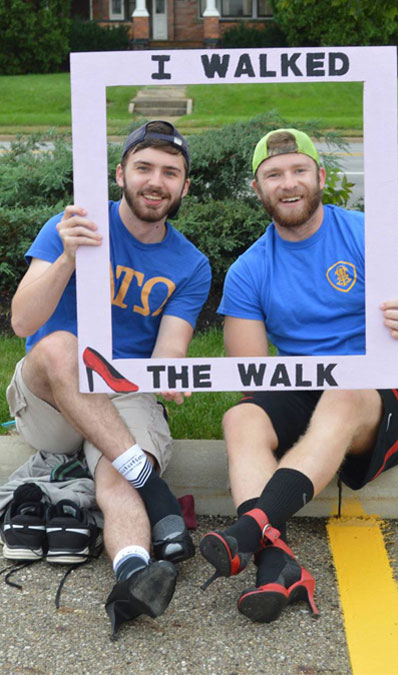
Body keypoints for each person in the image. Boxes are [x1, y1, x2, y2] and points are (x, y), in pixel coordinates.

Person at [199, 128, 398, 624]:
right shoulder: (250, 269)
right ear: (258, 188)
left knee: (344, 393)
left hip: (378, 395)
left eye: (298, 170)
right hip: (304, 388)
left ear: (321, 176)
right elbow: (254, 377)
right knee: (241, 419)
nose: (287, 183)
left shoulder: (366, 236)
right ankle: (276, 566)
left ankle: (249, 530)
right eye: (273, 175)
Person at [3, 121, 211, 635]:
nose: (155, 181)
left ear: (185, 187)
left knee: (118, 476)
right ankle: (154, 490)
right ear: (121, 174)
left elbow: (170, 350)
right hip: (52, 395)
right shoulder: (71, 225)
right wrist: (69, 258)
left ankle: (133, 575)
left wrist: (173, 374)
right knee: (59, 344)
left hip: (123, 395)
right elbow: (24, 323)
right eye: (144, 167)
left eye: (170, 172)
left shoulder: (191, 264)